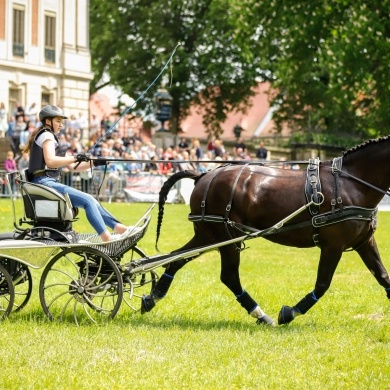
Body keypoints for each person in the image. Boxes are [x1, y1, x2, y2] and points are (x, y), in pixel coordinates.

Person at [22, 105, 134, 242]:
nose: (61, 125)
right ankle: (107, 239)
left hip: (47, 183)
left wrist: (96, 162)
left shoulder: (52, 138)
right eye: (58, 121)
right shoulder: (46, 135)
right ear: (47, 121)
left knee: (92, 200)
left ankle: (122, 229)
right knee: (88, 201)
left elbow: (73, 166)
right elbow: (51, 161)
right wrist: (76, 157)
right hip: (43, 183)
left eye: (61, 121)